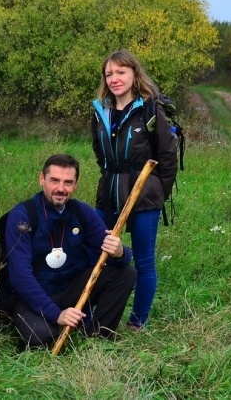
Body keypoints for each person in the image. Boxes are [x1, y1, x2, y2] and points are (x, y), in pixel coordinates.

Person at [6, 154, 136, 347]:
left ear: (75, 184)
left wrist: (121, 253)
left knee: (125, 273)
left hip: (71, 289)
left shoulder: (82, 212)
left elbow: (112, 253)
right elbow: (20, 276)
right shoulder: (22, 216)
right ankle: (52, 321)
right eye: (54, 181)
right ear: (42, 179)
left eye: (68, 182)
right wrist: (56, 314)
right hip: (33, 295)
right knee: (41, 337)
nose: (60, 189)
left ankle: (97, 336)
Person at [91, 50, 178, 330]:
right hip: (109, 191)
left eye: (121, 72)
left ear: (133, 74)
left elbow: (167, 156)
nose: (115, 79)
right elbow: (98, 152)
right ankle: (96, 312)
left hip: (144, 194)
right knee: (98, 251)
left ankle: (137, 322)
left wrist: (157, 194)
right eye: (109, 74)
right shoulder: (100, 111)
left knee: (143, 260)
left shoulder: (150, 110)